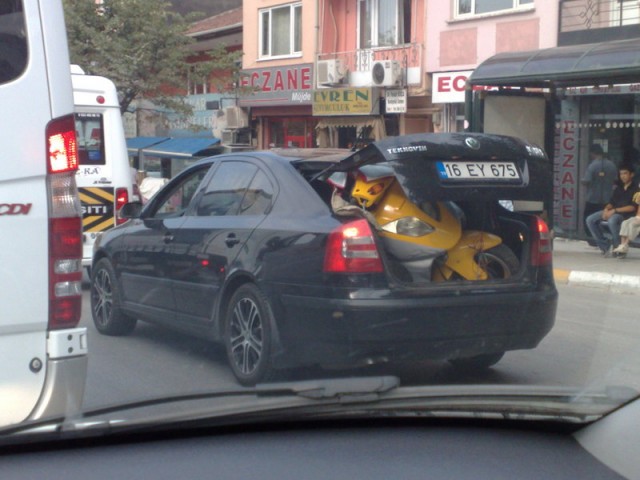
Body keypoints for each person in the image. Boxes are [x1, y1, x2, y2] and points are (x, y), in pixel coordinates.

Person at [586, 163, 640, 255]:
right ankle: (604, 245)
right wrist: (606, 210)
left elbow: (632, 207)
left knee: (612, 220)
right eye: (621, 174)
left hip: (624, 214)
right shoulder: (619, 188)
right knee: (590, 219)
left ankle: (617, 247)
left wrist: (614, 211)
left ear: (631, 174)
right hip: (613, 211)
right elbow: (611, 202)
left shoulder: (636, 189)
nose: (622, 176)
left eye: (625, 173)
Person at [581, 144, 618, 243]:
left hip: (593, 198)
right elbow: (615, 180)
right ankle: (609, 238)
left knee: (588, 219)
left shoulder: (592, 165)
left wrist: (583, 182)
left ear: (593, 153)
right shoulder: (612, 165)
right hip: (608, 198)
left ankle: (593, 239)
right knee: (605, 220)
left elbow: (587, 180)